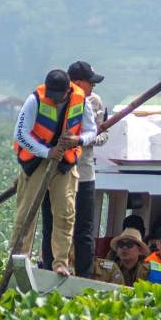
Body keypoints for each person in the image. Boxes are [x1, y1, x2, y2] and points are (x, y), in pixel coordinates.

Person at [10, 68, 97, 276]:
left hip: (64, 163)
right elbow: (20, 134)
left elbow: (91, 130)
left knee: (65, 214)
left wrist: (78, 140)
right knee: (26, 213)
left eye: (59, 97)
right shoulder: (35, 100)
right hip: (36, 160)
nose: (55, 101)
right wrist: (47, 151)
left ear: (67, 91)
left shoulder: (81, 101)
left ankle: (60, 263)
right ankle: (18, 260)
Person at [39, 61, 107, 277]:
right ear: (78, 83)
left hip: (84, 173)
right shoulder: (50, 99)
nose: (93, 88)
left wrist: (79, 140)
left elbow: (102, 136)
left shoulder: (95, 103)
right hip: (55, 172)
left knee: (83, 230)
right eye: (90, 83)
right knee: (52, 224)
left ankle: (84, 276)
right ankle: (50, 269)